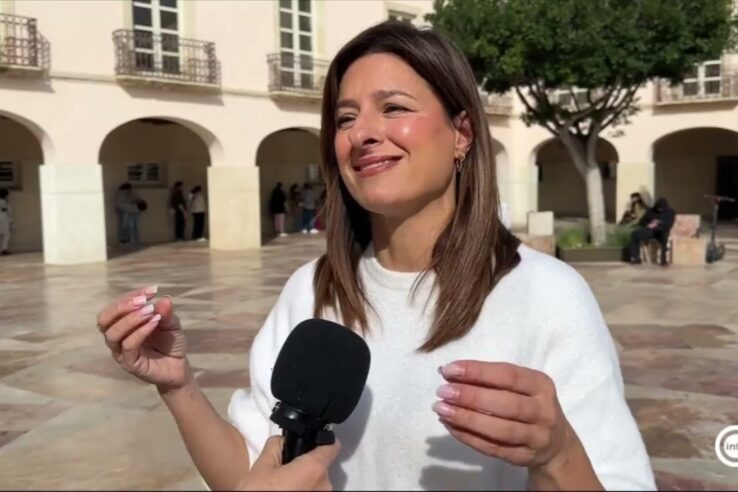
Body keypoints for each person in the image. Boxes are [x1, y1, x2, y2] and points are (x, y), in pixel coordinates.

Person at [96, 21, 655, 491]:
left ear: (462, 133)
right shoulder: (311, 290)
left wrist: (557, 453)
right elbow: (256, 472)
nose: (362, 133)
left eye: (394, 107)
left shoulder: (546, 294)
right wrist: (178, 386)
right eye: (345, 118)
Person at [628, 197, 676, 266]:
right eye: (658, 208)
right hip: (650, 231)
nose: (660, 209)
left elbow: (669, 224)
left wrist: (659, 222)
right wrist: (649, 224)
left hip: (662, 231)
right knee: (635, 234)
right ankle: (635, 258)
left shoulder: (670, 212)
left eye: (661, 208)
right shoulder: (650, 211)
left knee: (664, 237)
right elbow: (641, 222)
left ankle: (663, 260)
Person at [0, 188, 13, 255]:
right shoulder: (5, 202)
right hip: (4, 219)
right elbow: (8, 212)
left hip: (5, 218)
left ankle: (4, 249)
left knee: (6, 235)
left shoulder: (6, 202)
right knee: (6, 234)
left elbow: (9, 212)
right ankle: (4, 249)